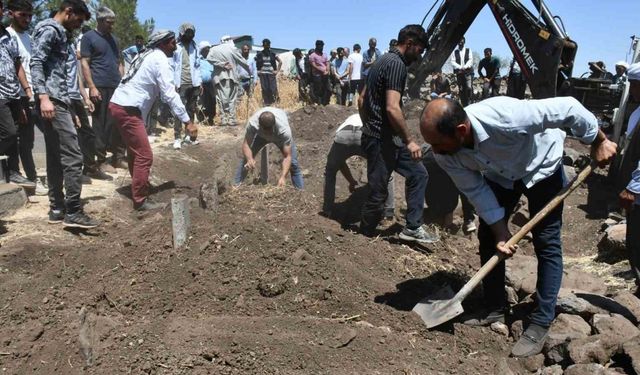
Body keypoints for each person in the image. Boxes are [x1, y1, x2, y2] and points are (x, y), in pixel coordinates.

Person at [420, 96, 617, 357]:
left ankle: (541, 320)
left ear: (461, 131)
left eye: (437, 143)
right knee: (488, 236)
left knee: (546, 242)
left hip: (542, 166)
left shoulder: (507, 117)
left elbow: (568, 107)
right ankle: (494, 307)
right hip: (501, 176)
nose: (434, 150)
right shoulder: (445, 153)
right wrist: (500, 230)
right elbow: (475, 189)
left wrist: (598, 140)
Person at [359, 24, 438, 243]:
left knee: (418, 173)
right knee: (378, 194)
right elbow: (392, 108)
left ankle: (412, 227)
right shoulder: (396, 65)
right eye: (420, 50)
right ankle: (363, 237)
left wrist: (368, 123)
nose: (420, 55)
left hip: (387, 137)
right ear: (410, 44)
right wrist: (410, 141)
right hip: (381, 140)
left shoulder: (381, 60)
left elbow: (361, 98)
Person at [110, 30, 197, 211]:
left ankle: (139, 187)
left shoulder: (144, 54)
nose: (175, 46)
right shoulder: (159, 59)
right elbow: (169, 94)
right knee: (144, 155)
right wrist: (188, 121)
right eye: (172, 43)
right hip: (128, 108)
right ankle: (140, 200)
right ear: (163, 43)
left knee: (136, 153)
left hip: (120, 104)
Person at [31, 0, 100, 228]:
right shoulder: (50, 30)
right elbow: (37, 63)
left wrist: (69, 108)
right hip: (51, 101)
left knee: (55, 156)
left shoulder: (59, 33)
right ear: (69, 12)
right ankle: (73, 210)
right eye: (79, 20)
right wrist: (43, 97)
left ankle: (58, 207)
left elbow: (58, 74)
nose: (79, 26)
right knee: (73, 156)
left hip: (59, 101)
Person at [323, 113, 395, 222]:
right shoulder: (372, 116)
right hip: (362, 134)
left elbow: (340, 162)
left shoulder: (350, 118)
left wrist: (351, 181)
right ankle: (388, 213)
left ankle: (327, 209)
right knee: (387, 171)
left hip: (342, 136)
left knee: (330, 171)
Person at [80, 6, 126, 172]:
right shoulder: (88, 37)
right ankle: (100, 161)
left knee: (117, 122)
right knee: (100, 124)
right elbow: (85, 62)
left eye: (113, 23)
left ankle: (118, 157)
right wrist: (91, 87)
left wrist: (122, 82)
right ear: (100, 21)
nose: (111, 26)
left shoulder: (115, 39)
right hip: (99, 86)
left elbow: (119, 62)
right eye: (108, 22)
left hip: (116, 86)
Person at [67, 34, 112, 182]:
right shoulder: (55, 47)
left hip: (76, 97)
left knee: (87, 134)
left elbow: (76, 77)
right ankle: (73, 175)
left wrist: (85, 97)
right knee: (69, 138)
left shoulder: (70, 46)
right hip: (62, 98)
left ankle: (90, 168)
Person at [5, 0, 39, 190]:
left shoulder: (29, 38)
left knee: (29, 141)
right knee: (19, 140)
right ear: (11, 14)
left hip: (32, 95)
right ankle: (29, 178)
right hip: (15, 96)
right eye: (22, 15)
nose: (27, 19)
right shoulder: (7, 37)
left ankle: (30, 177)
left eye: (30, 15)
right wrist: (20, 97)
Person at [234, 107, 303, 189]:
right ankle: (236, 187)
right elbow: (246, 145)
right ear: (260, 125)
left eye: (269, 131)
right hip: (260, 137)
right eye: (265, 131)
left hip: (278, 136)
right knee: (246, 160)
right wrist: (249, 159)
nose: (268, 134)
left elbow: (287, 156)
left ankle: (300, 192)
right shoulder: (253, 124)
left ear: (273, 125)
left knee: (293, 164)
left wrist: (283, 176)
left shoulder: (284, 130)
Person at [619, 63, 640, 290]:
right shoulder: (637, 112)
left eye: (635, 85)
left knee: (636, 241)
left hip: (639, 191)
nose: (632, 90)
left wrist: (633, 188)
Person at [206, 36, 250, 127]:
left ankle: (223, 119)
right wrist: (250, 72)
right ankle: (231, 119)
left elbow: (209, 59)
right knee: (231, 99)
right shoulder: (232, 48)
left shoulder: (214, 49)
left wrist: (220, 64)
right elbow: (242, 61)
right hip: (231, 77)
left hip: (218, 78)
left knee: (220, 99)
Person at [171, 23, 201, 149]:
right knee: (179, 110)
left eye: (191, 33)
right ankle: (177, 137)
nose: (189, 35)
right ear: (182, 33)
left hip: (193, 83)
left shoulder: (195, 47)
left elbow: (197, 66)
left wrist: (199, 83)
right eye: (187, 32)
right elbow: (172, 65)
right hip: (180, 83)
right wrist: (173, 83)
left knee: (191, 110)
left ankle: (189, 136)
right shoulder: (175, 47)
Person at [255, 38, 281, 106]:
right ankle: (267, 103)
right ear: (263, 46)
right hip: (263, 74)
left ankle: (275, 102)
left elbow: (280, 62)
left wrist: (277, 71)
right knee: (264, 88)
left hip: (271, 74)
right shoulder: (259, 54)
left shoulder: (273, 54)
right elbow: (255, 62)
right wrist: (258, 71)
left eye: (267, 45)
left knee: (273, 88)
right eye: (265, 45)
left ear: (269, 46)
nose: (266, 47)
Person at [451, 37, 473, 106]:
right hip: (459, 73)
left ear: (464, 42)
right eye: (459, 41)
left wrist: (465, 67)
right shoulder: (454, 52)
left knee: (469, 87)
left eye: (462, 41)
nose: (460, 42)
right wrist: (460, 67)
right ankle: (464, 104)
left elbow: (470, 60)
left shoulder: (468, 50)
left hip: (467, 72)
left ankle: (469, 102)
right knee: (461, 89)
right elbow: (453, 62)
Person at [197, 41, 215, 126]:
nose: (208, 51)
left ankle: (211, 119)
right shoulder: (198, 60)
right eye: (206, 49)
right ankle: (201, 119)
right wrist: (199, 83)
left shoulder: (212, 59)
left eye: (208, 49)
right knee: (202, 102)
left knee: (212, 101)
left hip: (211, 84)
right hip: (201, 84)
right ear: (202, 50)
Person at [309, 40, 330, 105]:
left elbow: (328, 63)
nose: (322, 47)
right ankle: (319, 104)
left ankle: (325, 104)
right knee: (318, 90)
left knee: (326, 90)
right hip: (317, 75)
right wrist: (322, 70)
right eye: (320, 46)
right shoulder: (312, 55)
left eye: (322, 46)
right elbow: (313, 65)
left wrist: (327, 71)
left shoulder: (325, 54)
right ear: (317, 46)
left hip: (325, 75)